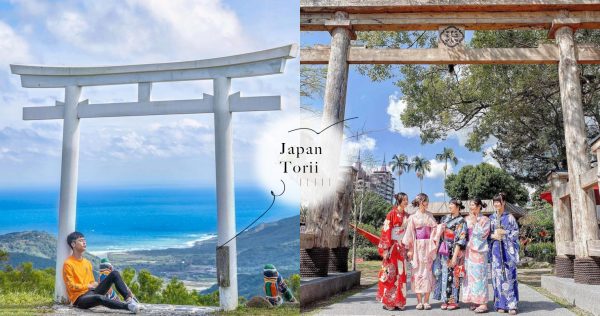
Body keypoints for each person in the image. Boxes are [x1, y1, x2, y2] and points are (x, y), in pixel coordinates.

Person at [63, 232, 139, 313]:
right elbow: (71, 286)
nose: (84, 242)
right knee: (99, 298)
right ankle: (128, 307)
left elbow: (91, 282)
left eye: (84, 240)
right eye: (81, 241)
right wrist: (88, 286)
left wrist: (96, 284)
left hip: (92, 292)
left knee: (114, 274)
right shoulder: (68, 264)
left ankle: (129, 300)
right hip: (79, 299)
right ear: (73, 244)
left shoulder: (87, 262)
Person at [402, 193, 443, 310]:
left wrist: (440, 228)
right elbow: (409, 234)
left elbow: (435, 229)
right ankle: (419, 301)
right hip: (417, 246)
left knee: (428, 272)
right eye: (425, 201)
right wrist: (410, 250)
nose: (427, 203)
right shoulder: (413, 217)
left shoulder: (430, 215)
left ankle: (426, 300)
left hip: (428, 246)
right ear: (420, 202)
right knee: (417, 272)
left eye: (427, 201)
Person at [433, 198, 468, 310]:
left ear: (457, 206)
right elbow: (440, 233)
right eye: (449, 204)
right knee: (444, 275)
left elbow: (461, 239)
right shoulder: (445, 218)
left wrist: (454, 257)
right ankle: (444, 300)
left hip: (455, 249)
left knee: (454, 275)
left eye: (452, 204)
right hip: (444, 249)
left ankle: (453, 301)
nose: (449, 206)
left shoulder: (461, 221)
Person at [377, 192, 409, 311]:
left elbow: (409, 232)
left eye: (407, 199)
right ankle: (389, 302)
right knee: (390, 273)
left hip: (402, 247)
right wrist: (385, 249)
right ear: (399, 201)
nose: (406, 201)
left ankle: (399, 301)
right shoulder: (391, 214)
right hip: (392, 247)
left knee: (401, 274)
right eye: (404, 200)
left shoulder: (407, 215)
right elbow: (386, 231)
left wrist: (409, 248)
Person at [489, 192, 520, 314]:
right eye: (495, 202)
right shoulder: (491, 218)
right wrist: (493, 236)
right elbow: (486, 235)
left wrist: (505, 233)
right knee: (498, 277)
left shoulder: (510, 217)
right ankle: (500, 304)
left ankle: (512, 305)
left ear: (504, 203)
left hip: (508, 251)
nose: (496, 204)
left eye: (499, 201)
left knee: (509, 276)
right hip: (496, 251)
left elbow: (516, 233)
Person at [462, 198, 491, 314]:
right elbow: (463, 234)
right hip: (469, 251)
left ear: (479, 206)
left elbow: (484, 235)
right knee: (470, 276)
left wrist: (475, 222)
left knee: (480, 276)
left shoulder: (485, 219)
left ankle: (483, 303)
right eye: (470, 205)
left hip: (479, 252)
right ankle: (474, 300)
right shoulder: (466, 219)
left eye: (473, 205)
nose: (471, 207)